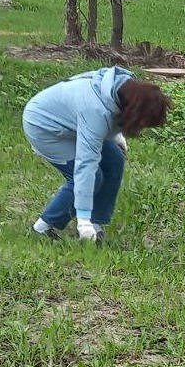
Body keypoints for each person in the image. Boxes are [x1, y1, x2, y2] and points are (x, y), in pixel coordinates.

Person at [23, 67, 171, 242]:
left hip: (74, 122)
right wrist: (82, 220)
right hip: (43, 126)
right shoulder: (95, 112)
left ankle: (97, 224)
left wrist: (116, 135)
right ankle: (43, 227)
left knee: (115, 160)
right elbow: (86, 166)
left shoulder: (123, 84)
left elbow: (111, 107)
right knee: (93, 177)